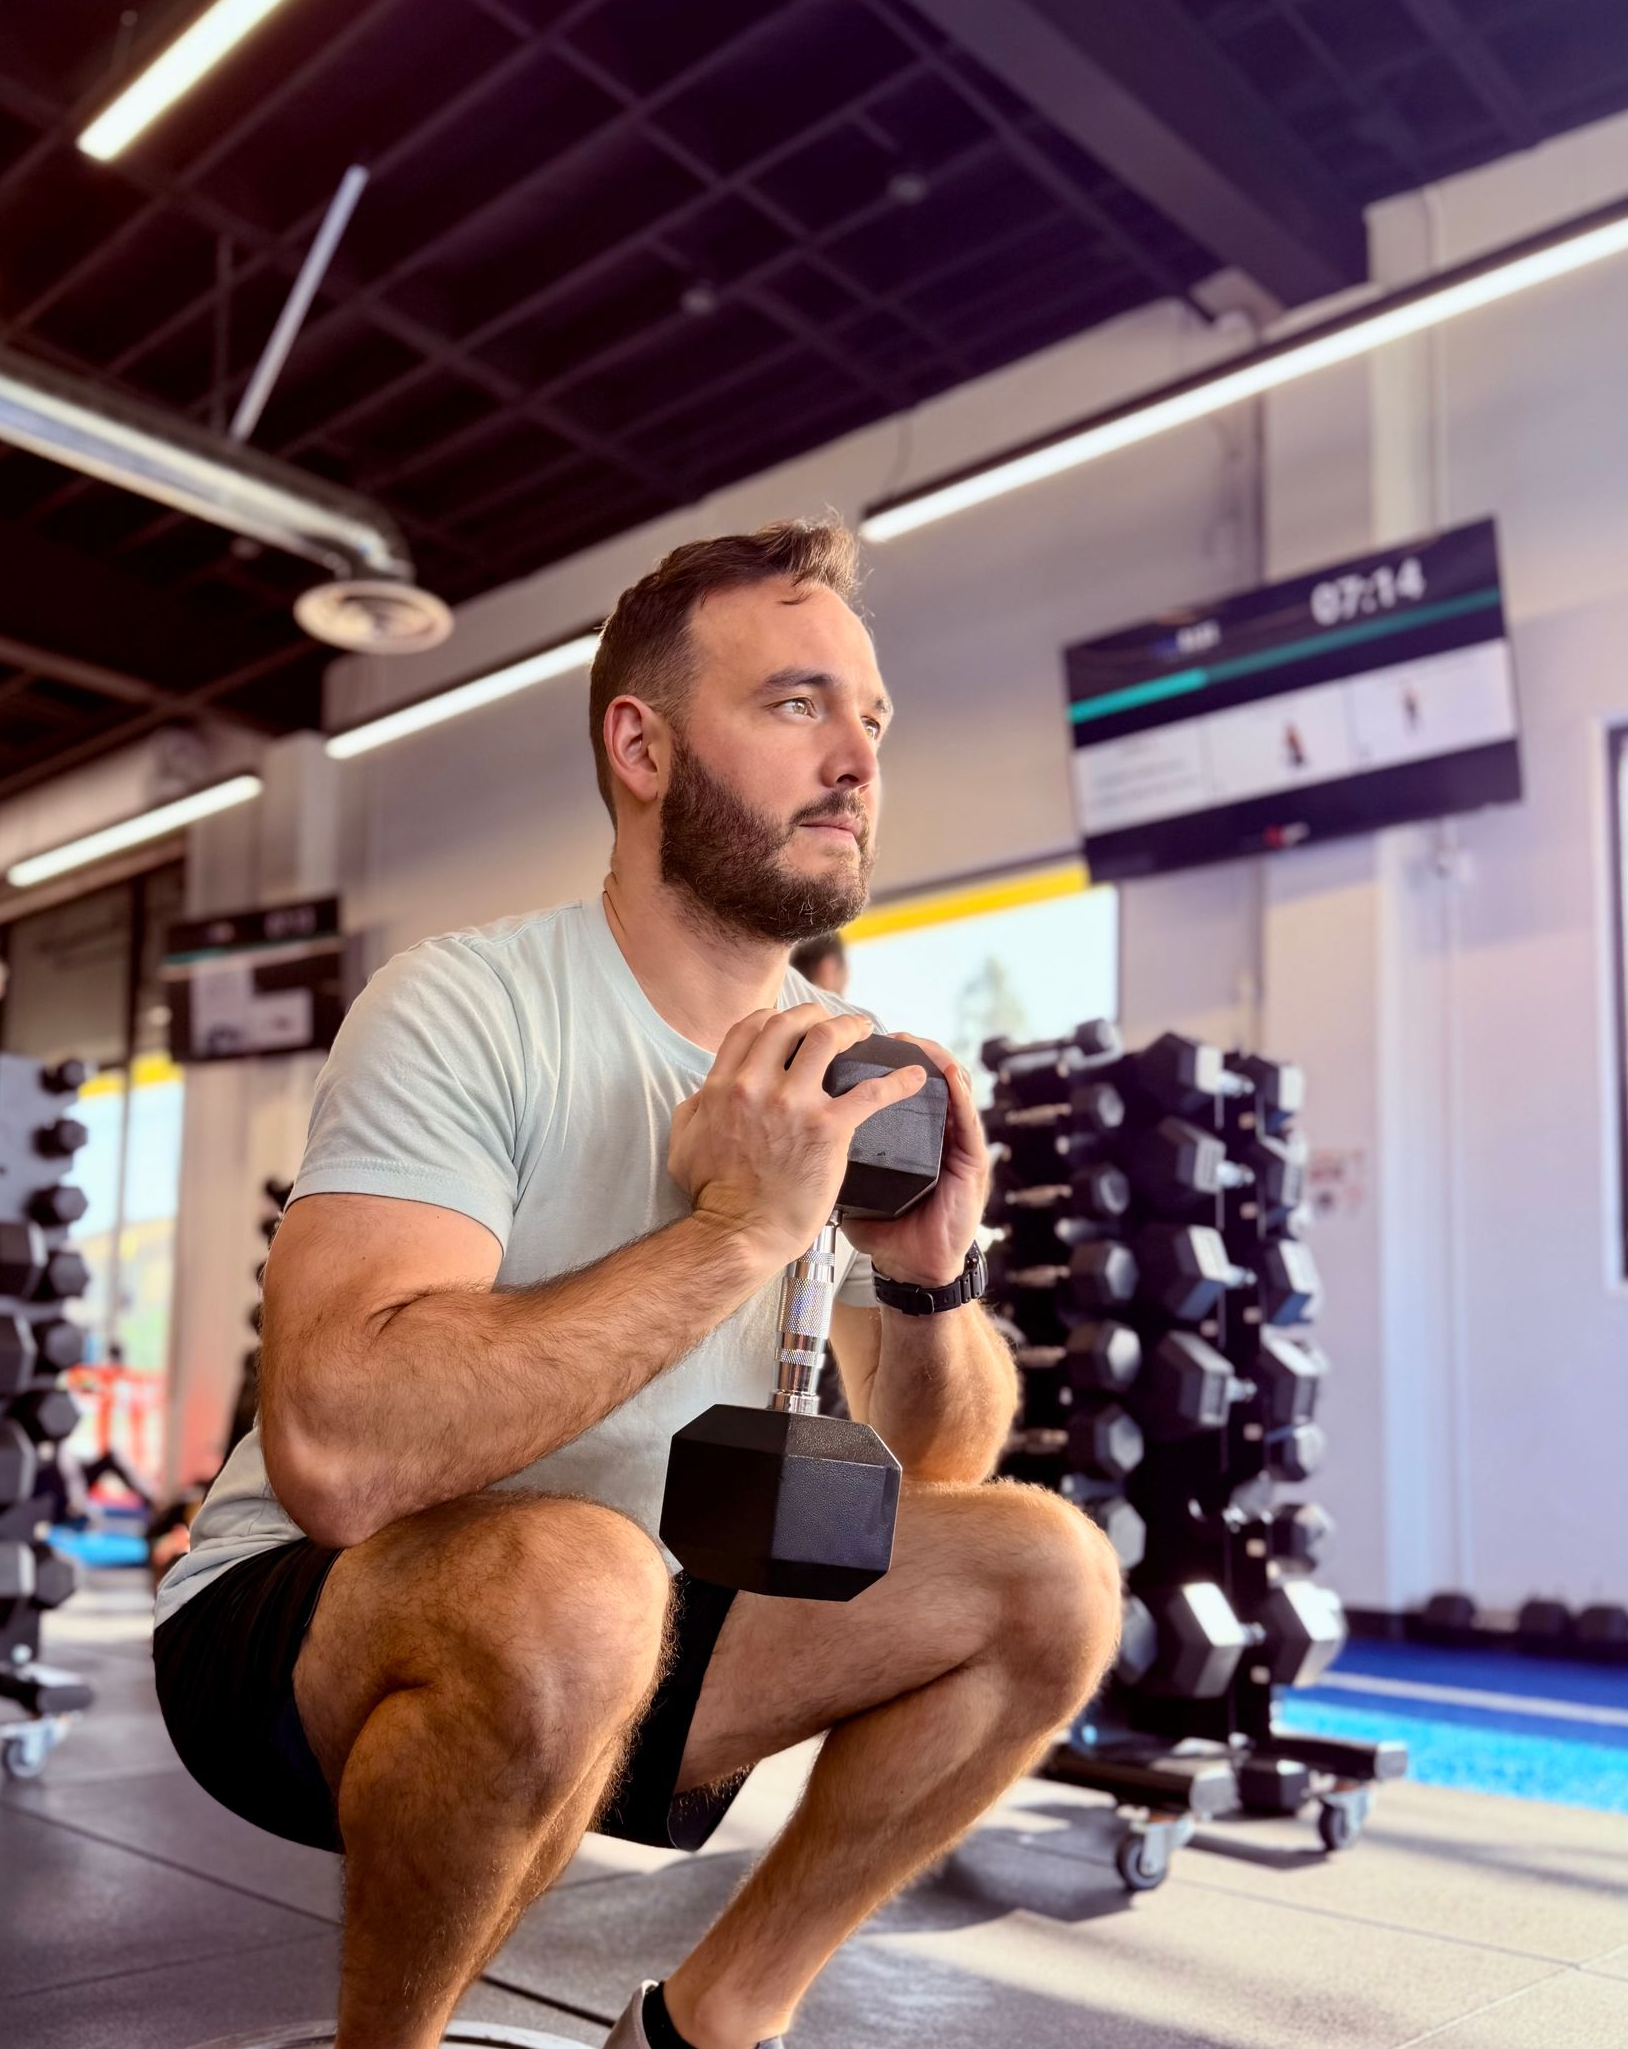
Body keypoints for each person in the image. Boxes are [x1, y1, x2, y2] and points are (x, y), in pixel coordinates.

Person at [152, 518, 1123, 2049]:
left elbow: (917, 1487)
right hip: (305, 1629)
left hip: (647, 1627)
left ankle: (713, 2024)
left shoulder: (847, 1076)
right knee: (578, 1582)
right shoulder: (472, 1004)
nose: (858, 760)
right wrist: (739, 1231)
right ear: (643, 746)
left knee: (1045, 1575)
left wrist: (931, 1286)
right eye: (799, 704)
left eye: (872, 719)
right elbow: (336, 1456)